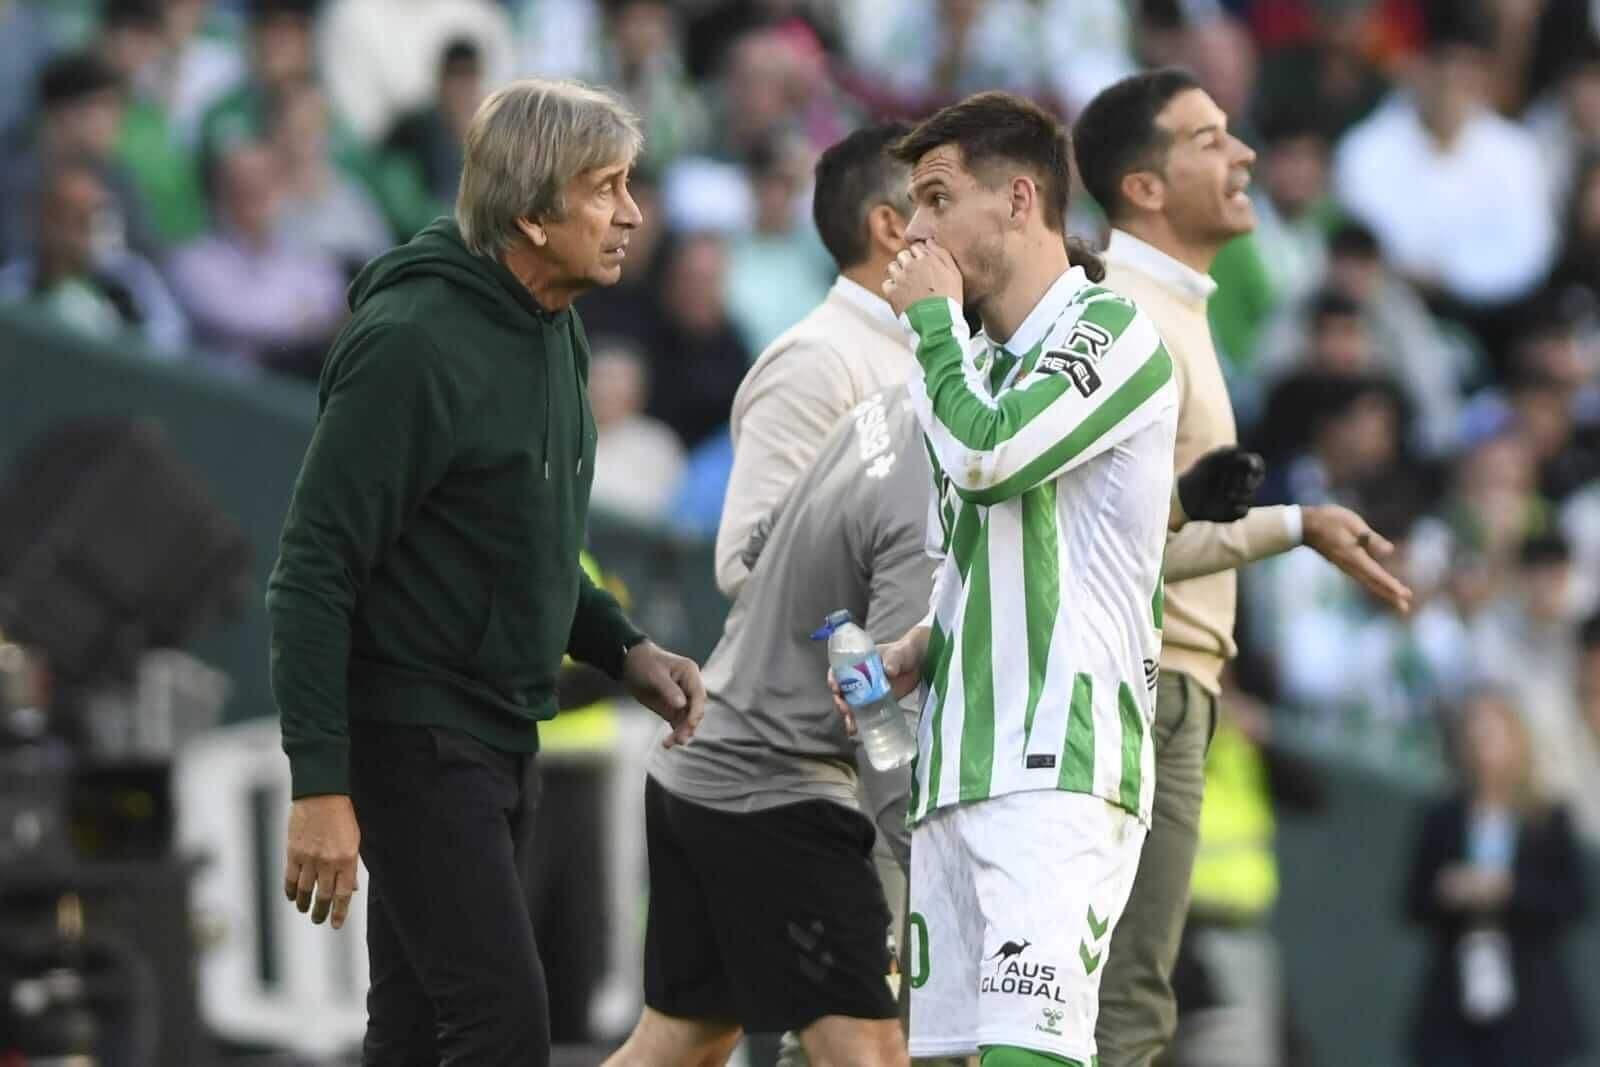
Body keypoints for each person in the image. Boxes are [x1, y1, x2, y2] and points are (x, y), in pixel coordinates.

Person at [265, 79, 706, 1067]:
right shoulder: (413, 341)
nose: (632, 212)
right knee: (500, 1021)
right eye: (603, 188)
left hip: (502, 725)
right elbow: (312, 567)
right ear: (530, 211)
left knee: (420, 1028)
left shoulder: (555, 326)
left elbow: (525, 540)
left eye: (629, 184)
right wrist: (320, 783)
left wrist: (621, 645)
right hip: (416, 732)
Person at [1071, 68, 1414, 1067]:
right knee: (1118, 1005)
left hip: (1166, 683)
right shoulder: (1125, 318)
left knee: (1122, 1004)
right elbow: (1112, 543)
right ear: (1141, 184)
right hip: (1138, 686)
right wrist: (1290, 524)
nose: (1244, 154)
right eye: (1209, 137)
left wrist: (1294, 522)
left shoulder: (1169, 311)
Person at [871, 89, 1182, 1067]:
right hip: (960, 767)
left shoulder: (1111, 329)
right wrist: (924, 644)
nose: (912, 229)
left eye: (933, 198)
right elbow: (981, 539)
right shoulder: (979, 362)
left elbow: (989, 459)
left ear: (1016, 198)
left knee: (1029, 1053)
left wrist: (927, 326)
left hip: (1056, 765)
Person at [1402, 690, 1592, 1067]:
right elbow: (1411, 900)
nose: (1484, 749)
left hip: (1529, 1005)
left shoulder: (1548, 820)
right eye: (1475, 737)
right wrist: (1449, 890)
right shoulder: (1443, 817)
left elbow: (1574, 901)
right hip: (1455, 1001)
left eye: (1494, 735)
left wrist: (1509, 890)